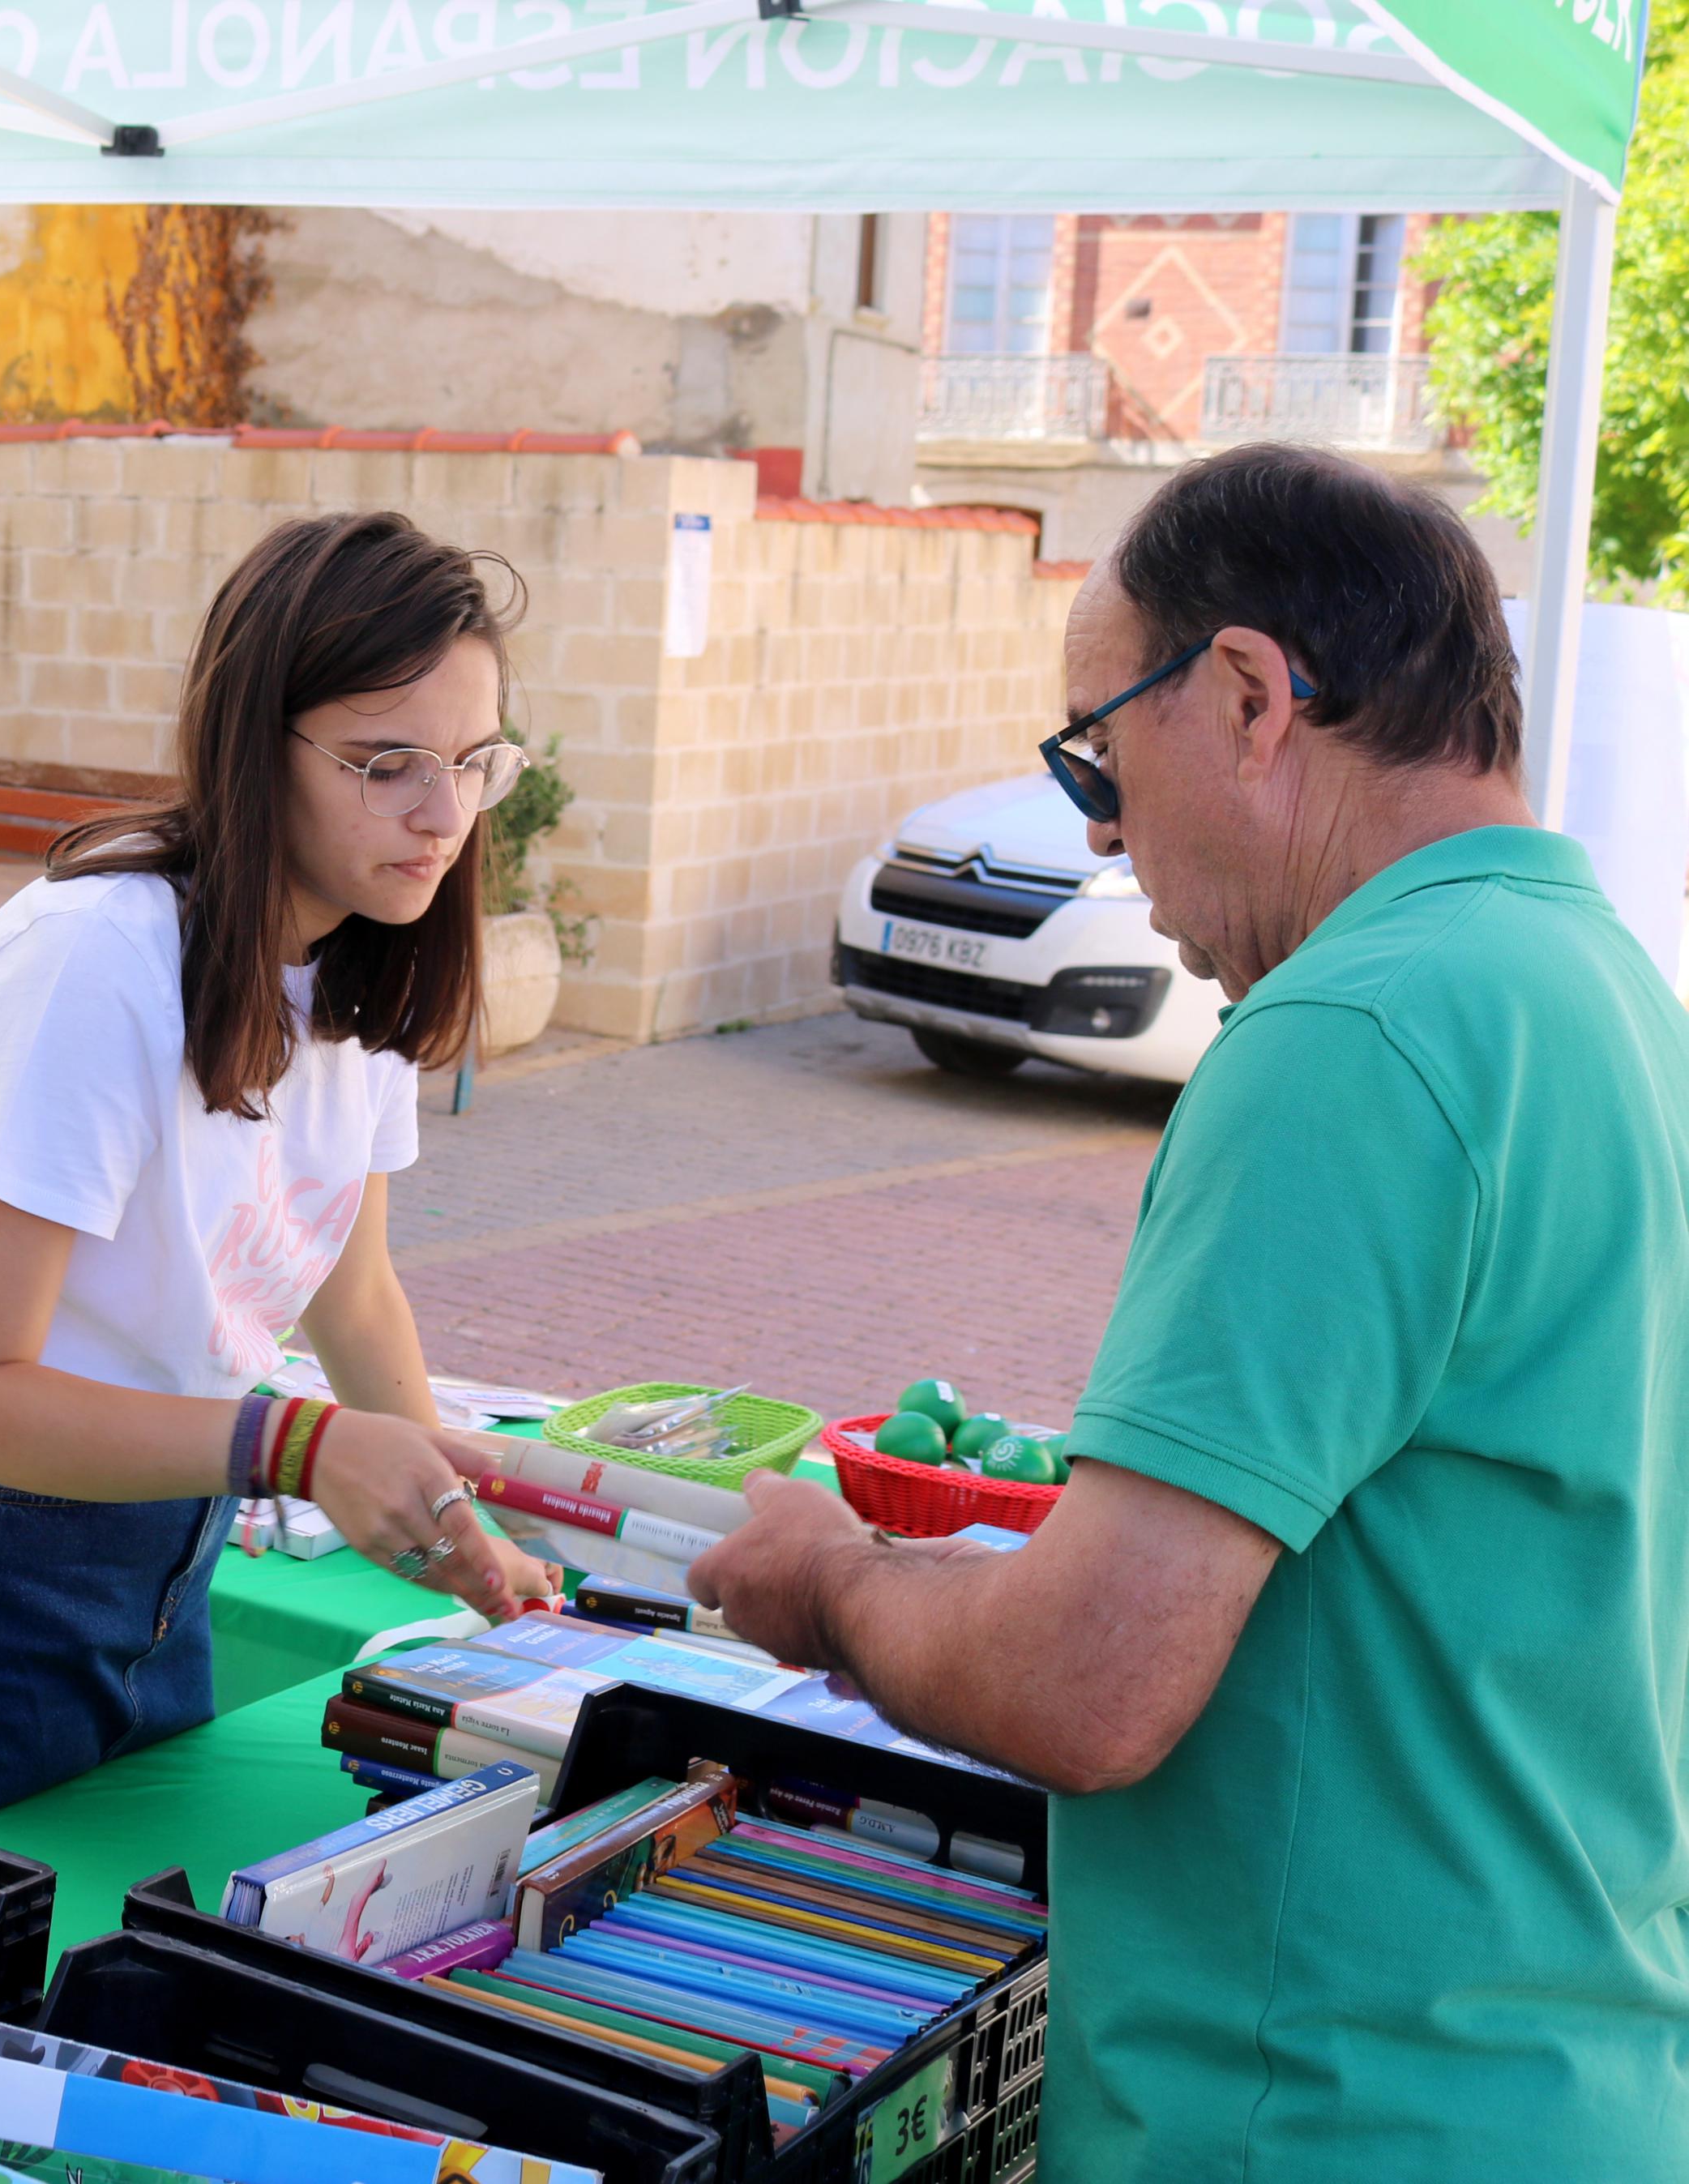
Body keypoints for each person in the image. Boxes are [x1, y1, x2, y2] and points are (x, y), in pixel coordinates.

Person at [686, 443, 1689, 2180]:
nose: (1092, 822)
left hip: (1322, 2120)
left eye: (1096, 749)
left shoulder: (1349, 1032)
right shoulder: (1613, 994)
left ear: (1244, 695)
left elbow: (1093, 1684)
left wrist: (836, 1577)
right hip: (1569, 2083)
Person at [0, 511, 558, 1823]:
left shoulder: (355, 961)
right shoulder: (94, 962)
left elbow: (351, 1294)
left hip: (165, 1525)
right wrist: (302, 1445)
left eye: (476, 763)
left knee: (92, 1962)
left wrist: (464, 1526)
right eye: (389, 764)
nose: (444, 814)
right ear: (261, 744)